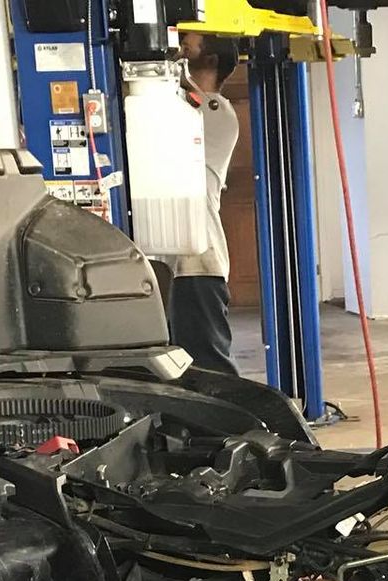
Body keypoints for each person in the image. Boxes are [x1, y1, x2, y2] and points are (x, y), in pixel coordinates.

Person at [167, 32, 242, 375]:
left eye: (188, 42)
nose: (180, 44)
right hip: (173, 262)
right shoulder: (177, 103)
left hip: (199, 263)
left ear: (210, 60)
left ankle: (233, 426)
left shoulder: (216, 111)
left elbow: (180, 102)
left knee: (211, 368)